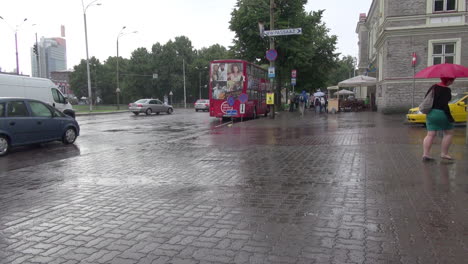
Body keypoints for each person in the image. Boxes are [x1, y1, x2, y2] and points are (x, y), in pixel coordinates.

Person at [422, 77, 455, 162]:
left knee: (430, 134)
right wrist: (450, 117)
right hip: (441, 113)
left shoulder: (433, 87)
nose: (452, 82)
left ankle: (426, 154)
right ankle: (444, 153)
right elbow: (445, 105)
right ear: (448, 81)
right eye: (452, 81)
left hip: (431, 113)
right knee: (448, 133)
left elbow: (426, 97)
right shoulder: (447, 90)